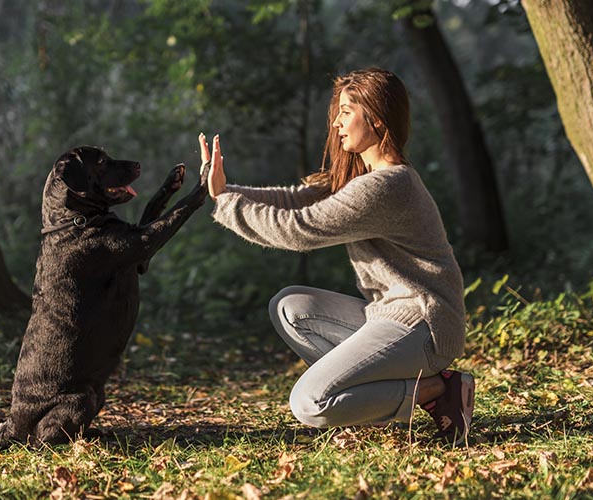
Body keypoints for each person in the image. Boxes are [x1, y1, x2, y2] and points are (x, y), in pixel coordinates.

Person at [197, 67, 474, 444]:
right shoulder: (367, 178)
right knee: (290, 307)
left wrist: (227, 203)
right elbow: (296, 199)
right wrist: (225, 191)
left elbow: (298, 228)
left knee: (310, 402)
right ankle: (371, 398)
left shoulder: (387, 186)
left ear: (376, 118)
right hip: (391, 316)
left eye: (346, 112)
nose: (336, 124)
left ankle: (435, 391)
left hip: (425, 326)